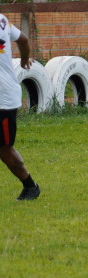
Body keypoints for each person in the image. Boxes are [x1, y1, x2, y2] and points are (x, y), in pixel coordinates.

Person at [0, 14, 40, 200]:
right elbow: (23, 39)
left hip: (3, 100)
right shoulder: (2, 19)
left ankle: (30, 186)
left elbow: (23, 40)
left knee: (4, 149)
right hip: (6, 92)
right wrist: (24, 59)